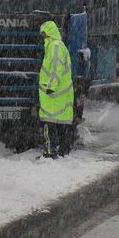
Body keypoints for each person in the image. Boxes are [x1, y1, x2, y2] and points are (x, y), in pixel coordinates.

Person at [38, 21, 75, 158]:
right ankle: (63, 151)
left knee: (49, 126)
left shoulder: (54, 47)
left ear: (48, 33)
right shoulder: (59, 46)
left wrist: (51, 88)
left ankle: (50, 152)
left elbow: (56, 68)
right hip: (61, 96)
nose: (42, 37)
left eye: (43, 34)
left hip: (53, 97)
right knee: (61, 125)